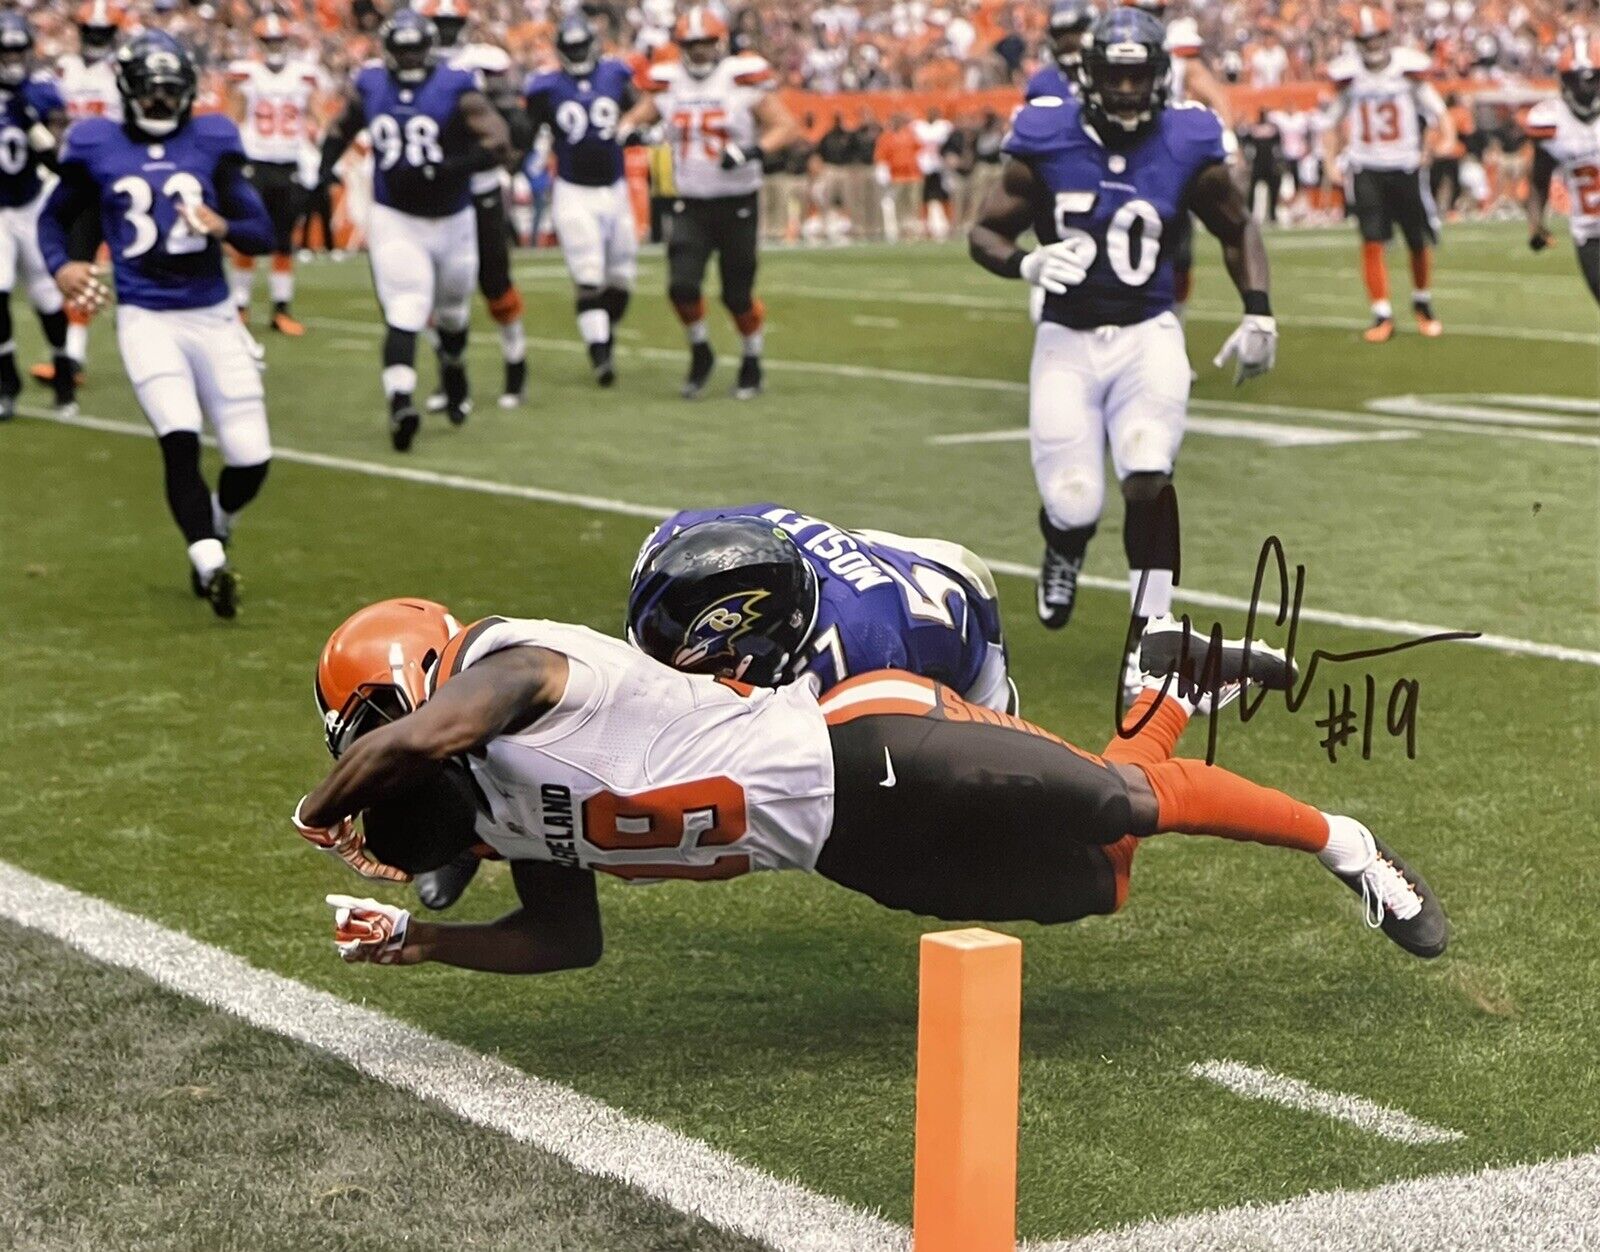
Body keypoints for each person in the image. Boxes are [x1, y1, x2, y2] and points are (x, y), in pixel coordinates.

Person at [292, 600, 1447, 972]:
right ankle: (1167, 684)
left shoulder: (511, 668)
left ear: (408, 692)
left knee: (1114, 804)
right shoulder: (493, 806)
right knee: (1100, 881)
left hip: (860, 741)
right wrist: (418, 942)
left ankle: (1349, 846)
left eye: (369, 738)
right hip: (841, 848)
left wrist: (317, 810)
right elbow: (565, 942)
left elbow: (426, 739)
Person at [969, 7, 1277, 701]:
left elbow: (1236, 226)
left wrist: (1258, 311)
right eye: (1117, 75)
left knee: (1147, 468)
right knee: (1074, 504)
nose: (1130, 90)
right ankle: (1064, 546)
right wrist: (1024, 265)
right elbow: (984, 233)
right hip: (1067, 339)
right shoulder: (1047, 135)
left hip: (1148, 331)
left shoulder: (1189, 138)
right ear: (1091, 77)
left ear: (1162, 76)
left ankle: (1152, 631)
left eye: (1141, 75)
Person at [40, 30, 274, 618]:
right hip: (146, 316)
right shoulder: (95, 144)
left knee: (251, 458)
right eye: (149, 93)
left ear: (189, 93)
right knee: (180, 437)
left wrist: (220, 226)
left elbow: (262, 233)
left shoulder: (214, 139)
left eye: (171, 93)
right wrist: (63, 263)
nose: (160, 104)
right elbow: (54, 218)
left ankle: (216, 527)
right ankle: (209, 565)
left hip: (215, 314)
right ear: (127, 92)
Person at [316, 9, 511, 450]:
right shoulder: (370, 84)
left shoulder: (455, 85)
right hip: (396, 216)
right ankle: (400, 402)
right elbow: (343, 127)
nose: (407, 59)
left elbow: (499, 144)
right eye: (400, 51)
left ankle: (454, 367)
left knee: (454, 310)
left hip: (454, 217)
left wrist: (449, 167)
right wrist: (323, 170)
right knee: (406, 306)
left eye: (414, 50)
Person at [619, 7, 800, 400]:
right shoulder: (669, 82)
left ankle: (752, 358)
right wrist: (629, 132)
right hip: (691, 203)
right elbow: (634, 119)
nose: (699, 52)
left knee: (736, 294)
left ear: (720, 43)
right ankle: (701, 351)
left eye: (705, 44)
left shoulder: (741, 77)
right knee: (681, 287)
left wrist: (752, 151)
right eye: (691, 45)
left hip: (737, 202)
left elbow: (785, 126)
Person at [1323, 5, 1455, 342]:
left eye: (1377, 37)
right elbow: (1329, 123)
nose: (1372, 45)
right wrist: (1329, 162)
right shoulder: (1350, 76)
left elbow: (1440, 112)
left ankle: (1422, 302)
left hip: (1404, 166)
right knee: (1371, 240)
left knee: (1417, 238)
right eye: (1366, 39)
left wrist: (1444, 140)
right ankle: (1381, 312)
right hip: (1366, 166)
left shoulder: (1406, 70)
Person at [424, 0, 530, 410]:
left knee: (494, 282)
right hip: (435, 193)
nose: (446, 32)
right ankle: (450, 378)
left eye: (452, 23)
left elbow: (513, 125)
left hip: (479, 186)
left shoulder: (483, 62)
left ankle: (515, 366)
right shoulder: (411, 68)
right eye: (440, 23)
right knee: (437, 294)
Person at [525, 17, 637, 387]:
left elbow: (638, 111)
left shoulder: (617, 74)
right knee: (588, 273)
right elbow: (529, 128)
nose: (575, 54)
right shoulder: (545, 87)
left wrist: (639, 130)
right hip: (573, 190)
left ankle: (603, 329)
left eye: (579, 46)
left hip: (616, 189)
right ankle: (600, 354)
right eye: (569, 48)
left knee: (621, 279)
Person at [36, 1, 124, 392]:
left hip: (117, 177)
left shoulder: (122, 70)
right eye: (92, 33)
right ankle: (73, 356)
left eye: (102, 34)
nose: (97, 41)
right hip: (77, 178)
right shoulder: (63, 69)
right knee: (78, 262)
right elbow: (51, 117)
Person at [0, 14, 77, 421]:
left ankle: (64, 376)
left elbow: (57, 155)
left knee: (47, 298)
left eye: (17, 50)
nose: (12, 58)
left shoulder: (41, 90)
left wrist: (29, 119)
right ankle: (6, 384)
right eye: (5, 50)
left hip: (30, 204)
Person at [225, 14, 320, 337]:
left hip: (289, 163)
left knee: (284, 240)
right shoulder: (247, 76)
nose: (275, 47)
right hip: (256, 163)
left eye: (278, 41)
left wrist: (314, 149)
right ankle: (240, 306)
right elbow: (233, 119)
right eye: (269, 41)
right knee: (248, 237)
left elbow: (316, 117)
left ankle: (281, 308)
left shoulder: (303, 76)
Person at [1525, 33, 1600, 305]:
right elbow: (1538, 179)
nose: (1584, 89)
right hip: (1590, 235)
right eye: (1575, 80)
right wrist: (1535, 224)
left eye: (1591, 81)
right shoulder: (1551, 123)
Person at [1025, 0, 1096, 101]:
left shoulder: (1105, 75)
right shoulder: (1043, 82)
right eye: (1060, 34)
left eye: (1075, 31)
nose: (1068, 39)